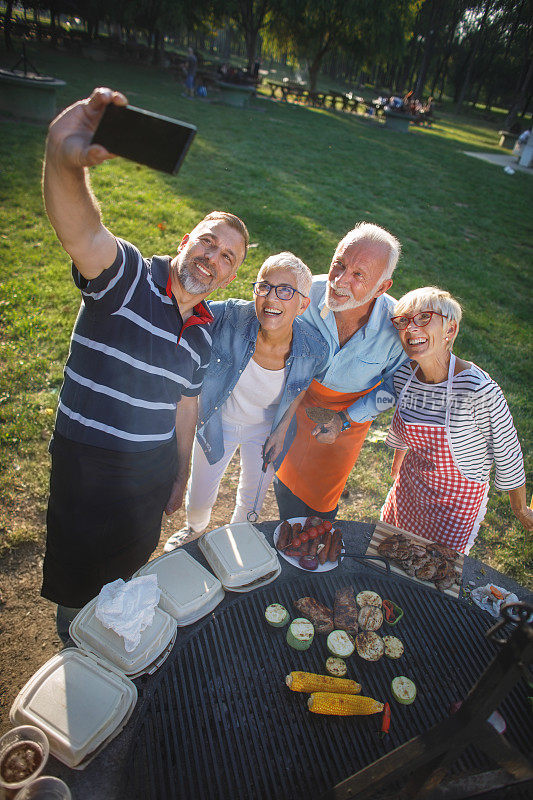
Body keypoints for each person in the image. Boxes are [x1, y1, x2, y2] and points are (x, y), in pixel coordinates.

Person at [40, 87, 249, 641]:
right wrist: (64, 161)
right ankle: (74, 648)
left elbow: (186, 405)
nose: (213, 257)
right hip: (89, 463)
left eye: (228, 257)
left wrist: (179, 474)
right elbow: (82, 233)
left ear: (230, 277)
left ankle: (113, 639)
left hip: (149, 471)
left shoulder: (204, 335)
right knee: (77, 583)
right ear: (186, 241)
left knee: (129, 568)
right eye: (208, 242)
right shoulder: (129, 278)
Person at [163, 252, 328, 549]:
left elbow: (301, 386)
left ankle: (234, 540)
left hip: (266, 428)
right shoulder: (229, 317)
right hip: (218, 420)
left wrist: (281, 428)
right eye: (264, 287)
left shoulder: (315, 348)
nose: (271, 298)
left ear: (303, 304)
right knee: (200, 493)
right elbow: (183, 310)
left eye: (286, 290)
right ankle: (195, 528)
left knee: (253, 491)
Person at [381, 287, 532, 553]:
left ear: (450, 330)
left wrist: (520, 509)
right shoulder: (404, 375)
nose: (411, 328)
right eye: (404, 321)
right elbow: (401, 424)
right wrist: (397, 466)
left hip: (454, 506)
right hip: (409, 490)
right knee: (388, 555)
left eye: (424, 318)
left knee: (434, 573)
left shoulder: (477, 389)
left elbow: (507, 450)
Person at [274, 223, 407, 521]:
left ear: (383, 287)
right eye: (339, 265)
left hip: (350, 417)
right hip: (295, 403)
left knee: (322, 505)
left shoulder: (397, 327)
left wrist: (345, 420)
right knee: (283, 479)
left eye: (358, 275)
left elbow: (395, 387)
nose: (340, 280)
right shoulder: (304, 293)